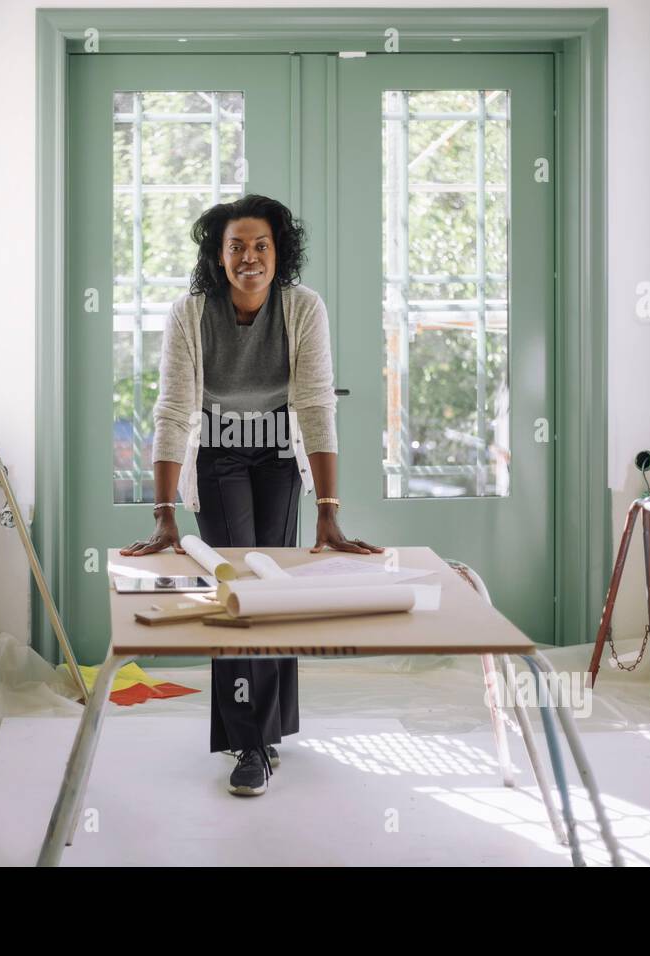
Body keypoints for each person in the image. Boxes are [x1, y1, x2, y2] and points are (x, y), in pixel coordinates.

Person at [118, 194, 382, 796]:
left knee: (275, 587)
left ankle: (270, 728)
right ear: (217, 256)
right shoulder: (190, 314)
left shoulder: (303, 308)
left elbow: (315, 404)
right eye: (235, 246)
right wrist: (163, 515)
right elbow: (174, 411)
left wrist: (329, 515)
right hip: (216, 452)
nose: (249, 257)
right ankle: (249, 741)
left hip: (279, 455)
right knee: (235, 588)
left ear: (278, 252)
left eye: (261, 245)